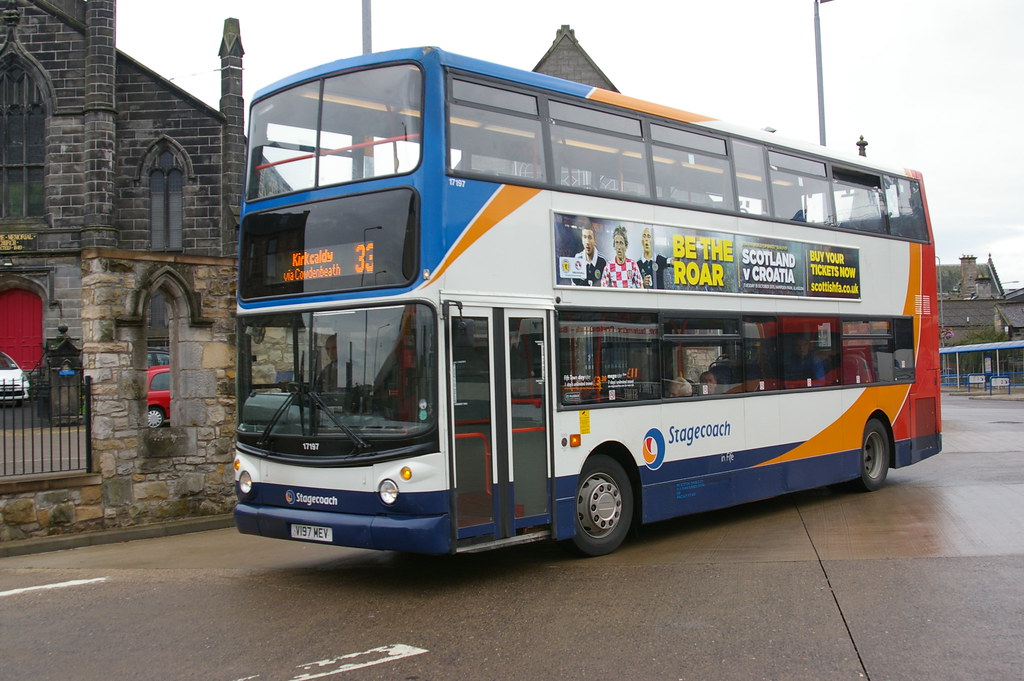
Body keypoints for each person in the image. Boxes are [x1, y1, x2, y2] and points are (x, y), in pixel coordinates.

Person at [572, 219, 606, 286]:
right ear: (582, 239)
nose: (587, 242)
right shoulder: (577, 259)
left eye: (590, 237)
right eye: (585, 237)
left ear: (594, 240)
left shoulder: (603, 261)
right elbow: (573, 285)